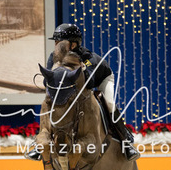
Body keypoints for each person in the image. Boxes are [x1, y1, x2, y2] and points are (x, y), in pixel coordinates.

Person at [27, 23, 140, 162]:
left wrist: (82, 70)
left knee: (109, 103)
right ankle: (39, 144)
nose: (56, 45)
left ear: (73, 44)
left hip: (101, 79)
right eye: (56, 42)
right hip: (76, 87)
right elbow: (47, 83)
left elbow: (90, 84)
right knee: (48, 102)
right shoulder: (54, 57)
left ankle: (126, 142)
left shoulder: (88, 58)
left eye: (59, 42)